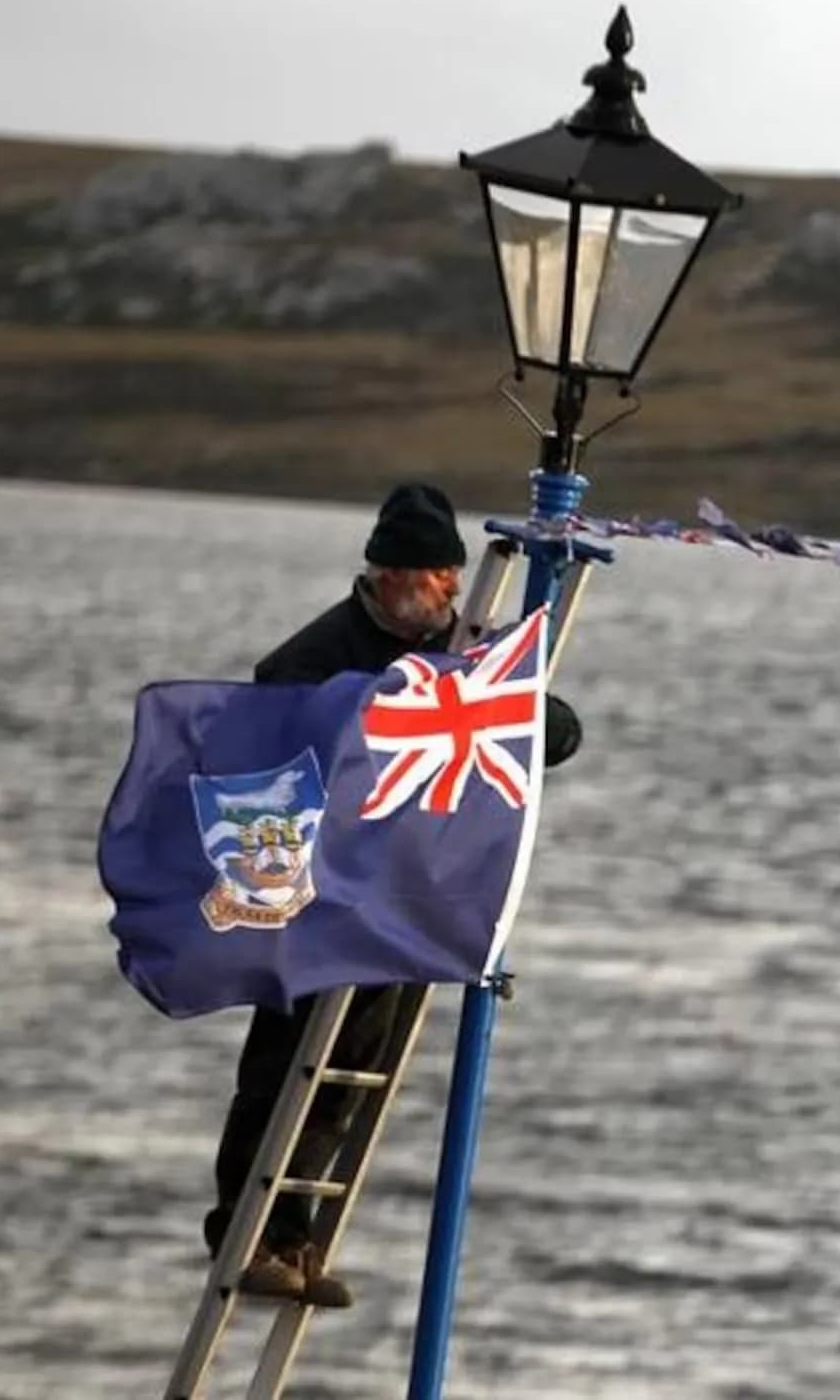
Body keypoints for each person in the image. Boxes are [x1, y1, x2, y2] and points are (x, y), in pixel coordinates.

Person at [207, 482, 581, 1306]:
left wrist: (531, 720)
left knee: (353, 1068)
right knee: (285, 1065)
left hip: (408, 902)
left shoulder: (463, 650)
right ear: (392, 574)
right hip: (316, 900)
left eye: (454, 574)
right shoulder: (314, 657)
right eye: (437, 574)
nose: (451, 589)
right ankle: (245, 1226)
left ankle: (299, 1236)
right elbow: (264, 768)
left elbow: (546, 731)